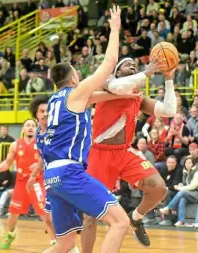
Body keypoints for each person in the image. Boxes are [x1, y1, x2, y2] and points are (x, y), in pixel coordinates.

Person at [38, 7, 133, 253]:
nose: (80, 76)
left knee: (66, 243)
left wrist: (133, 85)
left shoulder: (55, 100)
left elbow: (101, 96)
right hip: (70, 173)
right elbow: (110, 63)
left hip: (53, 178)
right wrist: (115, 29)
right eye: (77, 73)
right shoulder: (76, 92)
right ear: (72, 79)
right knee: (120, 221)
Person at [82, 61, 177, 251]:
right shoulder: (106, 81)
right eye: (127, 65)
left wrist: (168, 79)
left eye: (135, 64)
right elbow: (119, 87)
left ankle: (136, 218)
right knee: (90, 217)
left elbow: (169, 111)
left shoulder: (137, 96)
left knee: (158, 188)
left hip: (124, 152)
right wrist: (147, 71)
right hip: (99, 154)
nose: (133, 66)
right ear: (117, 71)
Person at [0, 119, 55, 249]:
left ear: (36, 128)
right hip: (21, 183)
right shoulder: (15, 145)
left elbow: (50, 162)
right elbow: (7, 163)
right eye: (28, 125)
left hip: (37, 182)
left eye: (33, 125)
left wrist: (40, 166)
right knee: (12, 215)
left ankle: (54, 241)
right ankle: (11, 234)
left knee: (45, 213)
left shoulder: (41, 144)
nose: (30, 128)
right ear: (23, 129)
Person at [160, 156, 198, 227]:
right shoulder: (185, 173)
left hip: (196, 194)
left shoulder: (197, 173)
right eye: (186, 163)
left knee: (181, 192)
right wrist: (180, 185)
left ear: (193, 164)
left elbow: (192, 186)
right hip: (188, 194)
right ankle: (181, 220)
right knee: (182, 200)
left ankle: (168, 208)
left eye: (189, 163)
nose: (187, 164)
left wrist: (180, 188)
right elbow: (183, 183)